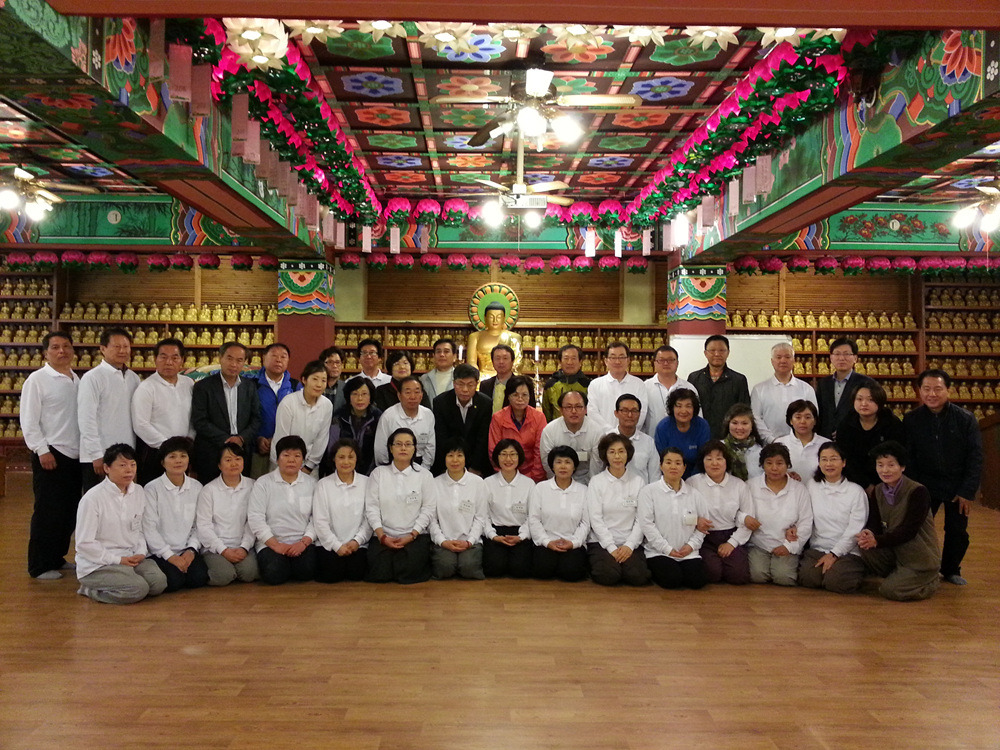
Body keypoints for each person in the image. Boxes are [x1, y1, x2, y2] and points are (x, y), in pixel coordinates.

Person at [902, 369, 983, 586]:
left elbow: (975, 457)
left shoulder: (965, 419)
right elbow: (909, 457)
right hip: (925, 484)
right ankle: (919, 567)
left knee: (957, 530)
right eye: (926, 389)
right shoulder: (911, 419)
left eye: (938, 389)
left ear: (948, 390)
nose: (932, 394)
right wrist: (914, 488)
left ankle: (951, 569)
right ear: (919, 391)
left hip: (957, 484)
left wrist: (967, 491)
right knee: (918, 527)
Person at [21, 331, 82, 581]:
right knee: (47, 510)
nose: (61, 351)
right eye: (55, 347)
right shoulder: (37, 380)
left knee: (68, 510)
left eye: (66, 346)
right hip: (51, 453)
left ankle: (57, 557)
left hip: (75, 454)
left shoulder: (76, 379)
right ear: (45, 353)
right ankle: (39, 565)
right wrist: (41, 449)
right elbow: (28, 420)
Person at [74, 443, 168, 604]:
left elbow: (138, 529)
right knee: (137, 589)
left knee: (159, 584)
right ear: (107, 468)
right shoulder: (93, 498)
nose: (129, 470)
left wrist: (141, 552)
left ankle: (124, 579)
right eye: (122, 465)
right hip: (98, 563)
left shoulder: (138, 491)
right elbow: (84, 543)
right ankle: (89, 589)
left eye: (133, 465)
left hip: (129, 556)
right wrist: (117, 560)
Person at [856, 441, 941, 601]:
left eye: (891, 465)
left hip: (918, 556)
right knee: (864, 545)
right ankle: (901, 577)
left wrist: (877, 540)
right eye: (880, 465)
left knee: (889, 591)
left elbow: (909, 530)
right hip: (895, 552)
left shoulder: (918, 491)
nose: (885, 470)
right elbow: (874, 522)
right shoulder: (878, 490)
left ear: (902, 467)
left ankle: (930, 580)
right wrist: (869, 533)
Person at [364, 427, 436, 584]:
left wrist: (412, 535)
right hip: (384, 535)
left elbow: (428, 509)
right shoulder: (378, 474)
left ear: (415, 449)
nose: (403, 448)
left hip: (414, 535)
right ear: (391, 448)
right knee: (380, 573)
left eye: (408, 444)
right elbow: (372, 508)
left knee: (408, 571)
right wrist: (382, 536)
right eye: (398, 444)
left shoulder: (424, 475)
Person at [247, 435, 318, 585]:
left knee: (306, 572)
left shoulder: (312, 484)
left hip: (302, 542)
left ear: (303, 460)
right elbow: (256, 518)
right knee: (274, 574)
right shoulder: (263, 483)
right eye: (286, 455)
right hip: (271, 543)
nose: (291, 460)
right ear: (277, 458)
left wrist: (304, 542)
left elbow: (317, 518)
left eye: (297, 456)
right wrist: (276, 545)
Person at [798, 442, 867, 594]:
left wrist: (835, 553)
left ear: (844, 462)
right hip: (818, 548)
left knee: (836, 582)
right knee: (808, 578)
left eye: (834, 459)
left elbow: (855, 529)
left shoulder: (856, 491)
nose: (828, 464)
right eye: (824, 459)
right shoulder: (812, 486)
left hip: (847, 551)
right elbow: (802, 514)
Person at [78, 327, 141, 492]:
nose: (122, 351)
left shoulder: (133, 378)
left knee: (124, 498)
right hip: (100, 456)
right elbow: (86, 418)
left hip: (126, 454)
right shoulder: (93, 378)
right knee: (99, 501)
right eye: (116, 346)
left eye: (126, 347)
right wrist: (96, 454)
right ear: (103, 349)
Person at [142, 436, 209, 592]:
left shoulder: (197, 487)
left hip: (186, 550)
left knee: (198, 579)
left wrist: (191, 550)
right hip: (160, 552)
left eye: (183, 456)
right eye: (172, 456)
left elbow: (199, 524)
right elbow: (149, 528)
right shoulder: (151, 489)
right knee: (174, 582)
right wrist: (169, 556)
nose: (178, 461)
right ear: (162, 462)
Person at [637, 447, 709, 590]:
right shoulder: (649, 492)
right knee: (672, 580)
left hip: (688, 553)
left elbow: (703, 526)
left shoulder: (695, 494)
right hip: (658, 552)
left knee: (697, 581)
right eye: (668, 462)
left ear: (684, 467)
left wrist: (691, 546)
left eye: (678, 463)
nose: (673, 467)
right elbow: (647, 524)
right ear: (661, 466)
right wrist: (667, 549)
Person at [191, 342, 261, 483]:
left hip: (241, 451)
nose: (234, 364)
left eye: (239, 360)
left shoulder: (250, 386)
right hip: (212, 451)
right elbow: (199, 420)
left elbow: (256, 418)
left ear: (244, 363)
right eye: (229, 358)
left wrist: (241, 438)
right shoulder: (203, 386)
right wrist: (227, 439)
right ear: (220, 358)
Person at [586, 433, 650, 586]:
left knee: (638, 577)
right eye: (612, 452)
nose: (617, 456)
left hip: (629, 541)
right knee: (608, 575)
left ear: (628, 454)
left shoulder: (638, 481)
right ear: (605, 455)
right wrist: (611, 547)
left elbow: (641, 518)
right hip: (602, 542)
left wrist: (629, 545)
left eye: (621, 451)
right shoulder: (596, 482)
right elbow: (595, 518)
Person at [687, 440, 753, 585]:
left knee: (739, 576)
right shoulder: (692, 483)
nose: (714, 463)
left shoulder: (739, 485)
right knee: (712, 573)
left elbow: (748, 519)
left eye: (719, 458)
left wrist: (731, 543)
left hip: (731, 534)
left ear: (726, 461)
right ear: (702, 462)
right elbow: (682, 513)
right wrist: (695, 520)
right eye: (709, 459)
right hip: (704, 536)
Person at [746, 443, 812, 586]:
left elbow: (806, 521)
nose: (774, 468)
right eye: (769, 463)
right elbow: (740, 512)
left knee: (784, 577)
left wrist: (789, 547)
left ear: (788, 465)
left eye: (779, 463)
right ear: (762, 465)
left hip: (786, 542)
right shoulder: (750, 486)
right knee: (757, 576)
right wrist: (745, 518)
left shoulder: (799, 489)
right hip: (759, 543)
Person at [131, 337, 194, 485]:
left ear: (182, 360)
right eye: (163, 357)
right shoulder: (146, 387)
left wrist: (188, 443)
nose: (169, 362)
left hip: (183, 452)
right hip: (155, 452)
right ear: (155, 359)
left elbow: (193, 417)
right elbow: (141, 425)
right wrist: (167, 447)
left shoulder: (189, 383)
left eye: (175, 357)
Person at [195, 441, 259, 586]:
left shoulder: (253, 486)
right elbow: (204, 526)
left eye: (238, 459)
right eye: (228, 460)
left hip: (242, 545)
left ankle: (235, 568)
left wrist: (244, 547)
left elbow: (253, 521)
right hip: (215, 547)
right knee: (223, 576)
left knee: (249, 573)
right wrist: (223, 550)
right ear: (219, 465)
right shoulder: (209, 490)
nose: (234, 464)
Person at [312, 438, 371, 583]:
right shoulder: (323, 485)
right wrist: (336, 545)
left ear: (357, 459)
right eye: (341, 457)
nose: (346, 462)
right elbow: (320, 521)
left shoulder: (367, 482)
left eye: (351, 457)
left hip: (358, 544)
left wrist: (357, 541)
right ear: (334, 459)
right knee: (332, 575)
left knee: (356, 574)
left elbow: (369, 517)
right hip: (329, 544)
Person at [529, 445, 590, 582]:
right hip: (547, 541)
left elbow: (585, 523)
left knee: (571, 573)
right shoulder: (541, 488)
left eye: (568, 462)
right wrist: (547, 542)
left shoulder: (583, 490)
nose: (563, 466)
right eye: (558, 462)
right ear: (552, 466)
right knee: (542, 571)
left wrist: (574, 543)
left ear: (574, 467)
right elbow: (534, 519)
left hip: (572, 542)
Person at [430, 438, 487, 580]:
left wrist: (470, 541)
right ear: (444, 458)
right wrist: (442, 541)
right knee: (445, 567)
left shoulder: (478, 483)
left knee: (469, 567)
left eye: (460, 455)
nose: (455, 460)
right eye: (450, 455)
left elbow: (481, 517)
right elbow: (432, 519)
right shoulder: (435, 483)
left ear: (466, 458)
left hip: (470, 541)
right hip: (444, 541)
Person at [837, 383, 905, 492]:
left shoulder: (892, 423)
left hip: (888, 481)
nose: (864, 404)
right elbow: (845, 458)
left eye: (870, 400)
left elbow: (899, 456)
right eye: (859, 399)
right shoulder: (846, 424)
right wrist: (865, 485)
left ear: (880, 401)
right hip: (855, 482)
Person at [481, 439, 534, 578]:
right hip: (496, 531)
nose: (508, 459)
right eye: (503, 454)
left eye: (513, 454)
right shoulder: (487, 483)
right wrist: (493, 536)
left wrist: (521, 536)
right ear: (497, 458)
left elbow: (533, 516)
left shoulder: (529, 484)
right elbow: (483, 515)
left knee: (520, 571)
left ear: (519, 457)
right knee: (494, 570)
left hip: (520, 532)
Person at [270, 360, 333, 473]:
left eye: (323, 380)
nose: (319, 384)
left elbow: (321, 439)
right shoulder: (288, 403)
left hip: (310, 467)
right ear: (304, 380)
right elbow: (281, 437)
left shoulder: (327, 405)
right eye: (315, 379)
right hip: (283, 463)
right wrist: (288, 464)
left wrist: (309, 467)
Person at [431, 363, 492, 477]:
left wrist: (475, 467)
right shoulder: (441, 402)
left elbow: (483, 438)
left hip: (476, 463)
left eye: (470, 385)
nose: (465, 389)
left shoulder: (485, 403)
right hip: (449, 462)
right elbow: (441, 437)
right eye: (460, 384)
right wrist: (447, 466)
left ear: (477, 384)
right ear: (454, 383)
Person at [750, 342, 817, 443]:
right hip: (769, 444)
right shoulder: (759, 389)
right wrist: (772, 440)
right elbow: (756, 418)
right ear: (772, 361)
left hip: (800, 443)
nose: (783, 360)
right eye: (778, 357)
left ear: (794, 360)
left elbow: (813, 416)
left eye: (787, 357)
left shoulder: (806, 388)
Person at [687, 334, 751, 438]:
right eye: (712, 350)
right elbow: (689, 408)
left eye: (721, 350)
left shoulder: (738, 380)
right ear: (705, 353)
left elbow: (744, 411)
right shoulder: (694, 378)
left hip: (729, 437)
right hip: (698, 435)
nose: (717, 354)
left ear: (728, 353)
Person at [487, 374, 547, 482]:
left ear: (530, 396)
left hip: (533, 476)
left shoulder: (539, 418)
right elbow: (493, 450)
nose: (520, 399)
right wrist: (506, 476)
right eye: (515, 395)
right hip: (504, 475)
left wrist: (533, 478)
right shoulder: (498, 418)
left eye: (524, 395)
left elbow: (540, 451)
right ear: (508, 396)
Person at [253, 343, 299, 478]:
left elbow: (300, 418)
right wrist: (257, 439)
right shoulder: (252, 385)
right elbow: (245, 417)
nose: (279, 360)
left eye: (283, 357)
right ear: (263, 358)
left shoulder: (295, 386)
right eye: (274, 356)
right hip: (259, 449)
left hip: (287, 450)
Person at [539, 390, 604, 485]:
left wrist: (588, 487)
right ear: (561, 410)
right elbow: (547, 463)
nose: (574, 411)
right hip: (558, 482)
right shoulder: (549, 431)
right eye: (568, 407)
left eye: (578, 406)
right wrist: (560, 485)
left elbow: (597, 466)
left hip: (587, 483)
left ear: (586, 409)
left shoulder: (597, 431)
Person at [591, 394, 659, 484]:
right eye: (625, 411)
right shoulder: (605, 439)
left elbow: (655, 477)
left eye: (634, 411)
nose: (630, 415)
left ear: (639, 414)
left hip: (641, 490)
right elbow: (595, 472)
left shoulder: (648, 442)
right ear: (616, 413)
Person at [816, 337, 874, 439]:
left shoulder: (866, 383)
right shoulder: (823, 383)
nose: (841, 358)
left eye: (846, 354)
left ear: (855, 358)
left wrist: (847, 430)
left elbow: (871, 412)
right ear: (831, 358)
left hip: (855, 438)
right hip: (825, 439)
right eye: (837, 354)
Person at [323, 377, 382, 476]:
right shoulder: (339, 417)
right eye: (355, 394)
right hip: (342, 469)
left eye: (364, 394)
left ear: (370, 397)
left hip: (371, 472)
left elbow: (380, 450)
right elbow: (332, 448)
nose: (360, 398)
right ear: (348, 397)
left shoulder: (378, 417)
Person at [373, 376, 436, 468]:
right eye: (408, 392)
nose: (413, 396)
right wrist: (389, 469)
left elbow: (430, 447)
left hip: (420, 464)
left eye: (417, 392)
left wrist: (424, 469)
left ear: (422, 395)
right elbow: (381, 449)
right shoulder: (388, 416)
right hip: (393, 464)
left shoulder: (428, 414)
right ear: (399, 395)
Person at [587, 342, 648, 428]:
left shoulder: (639, 384)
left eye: (622, 357)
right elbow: (592, 413)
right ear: (606, 361)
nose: (617, 361)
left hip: (630, 434)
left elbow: (642, 412)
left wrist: (627, 431)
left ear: (628, 360)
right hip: (603, 435)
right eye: (613, 357)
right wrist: (610, 432)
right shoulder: (595, 384)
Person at [652, 388, 711, 477]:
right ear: (672, 408)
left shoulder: (702, 426)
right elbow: (662, 460)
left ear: (694, 408)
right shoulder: (663, 427)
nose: (683, 411)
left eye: (688, 406)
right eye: (679, 406)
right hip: (669, 475)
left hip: (697, 477)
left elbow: (703, 458)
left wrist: (692, 481)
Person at [642, 345, 697, 436]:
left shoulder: (689, 387)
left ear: (677, 363)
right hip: (652, 440)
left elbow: (697, 417)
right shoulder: (645, 387)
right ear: (654, 363)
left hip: (684, 440)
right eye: (661, 360)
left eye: (671, 360)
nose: (666, 363)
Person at [466, 301, 523, 379]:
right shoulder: (475, 336)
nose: (495, 320)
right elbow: (471, 362)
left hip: (507, 378)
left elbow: (517, 364)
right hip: (482, 377)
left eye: (499, 317)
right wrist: (477, 377)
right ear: (485, 318)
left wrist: (507, 378)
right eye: (491, 317)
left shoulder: (514, 337)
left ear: (504, 318)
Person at [775, 400, 828, 483]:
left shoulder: (826, 444)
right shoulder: (779, 444)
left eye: (807, 417)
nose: (803, 421)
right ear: (790, 420)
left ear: (815, 421)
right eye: (798, 417)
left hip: (818, 490)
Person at [541, 345, 591, 421]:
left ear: (580, 362)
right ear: (560, 362)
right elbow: (547, 415)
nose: (569, 362)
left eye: (573, 358)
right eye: (566, 358)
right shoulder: (550, 385)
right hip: (556, 427)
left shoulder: (588, 385)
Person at [480, 344, 534, 413]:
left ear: (512, 361)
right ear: (492, 362)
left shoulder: (523, 385)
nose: (501, 362)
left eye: (505, 358)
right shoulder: (485, 385)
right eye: (497, 358)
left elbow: (531, 411)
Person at [721, 403, 764, 481]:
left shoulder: (760, 452)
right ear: (728, 424)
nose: (739, 428)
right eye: (735, 423)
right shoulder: (719, 448)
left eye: (744, 423)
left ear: (752, 426)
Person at [420, 337, 458, 402]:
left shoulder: (460, 378)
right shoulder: (424, 379)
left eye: (446, 351)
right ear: (434, 356)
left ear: (454, 357)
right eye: (438, 352)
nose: (442, 355)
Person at [319, 345, 347, 414]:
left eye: (338, 362)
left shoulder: (347, 388)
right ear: (322, 364)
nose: (334, 366)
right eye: (330, 362)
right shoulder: (315, 386)